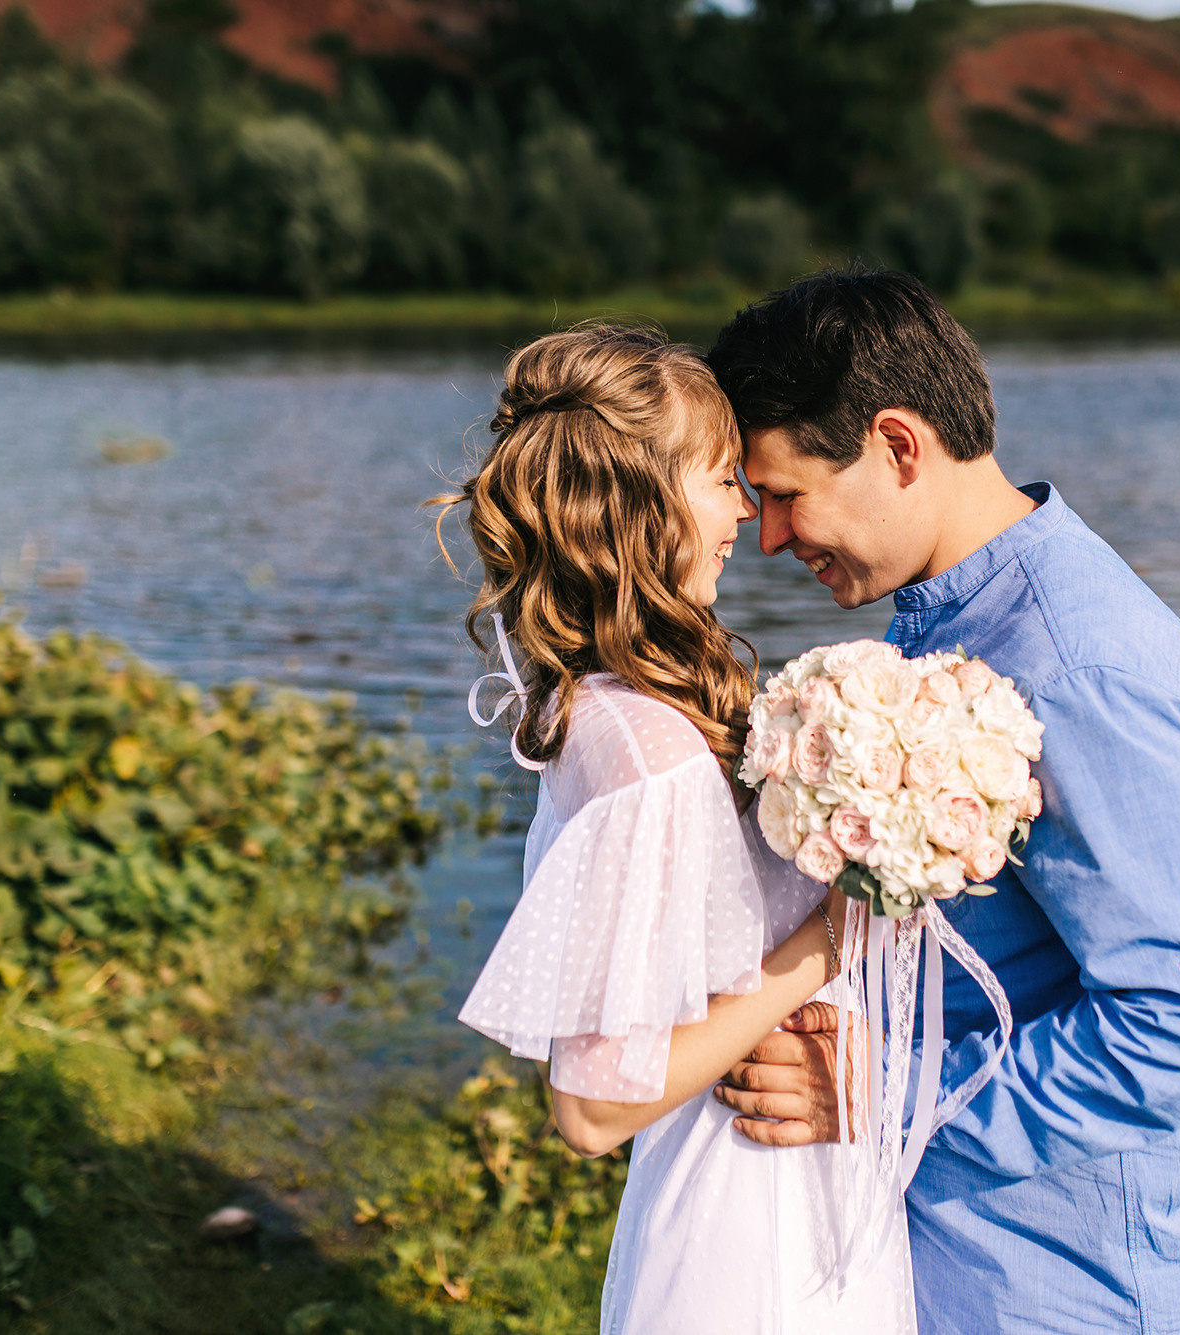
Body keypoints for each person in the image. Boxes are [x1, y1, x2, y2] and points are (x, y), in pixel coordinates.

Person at [705, 268, 1180, 1335]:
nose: (769, 537)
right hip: (978, 1260)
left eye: (783, 492)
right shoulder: (951, 620)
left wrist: (881, 1096)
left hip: (1081, 1286)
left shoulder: (1075, 673)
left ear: (896, 445)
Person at [438, 326, 916, 1334]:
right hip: (750, 1238)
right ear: (637, 509)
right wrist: (831, 934)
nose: (745, 509)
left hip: (775, 1190)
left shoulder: (612, 706)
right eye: (716, 478)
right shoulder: (648, 750)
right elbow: (593, 1109)